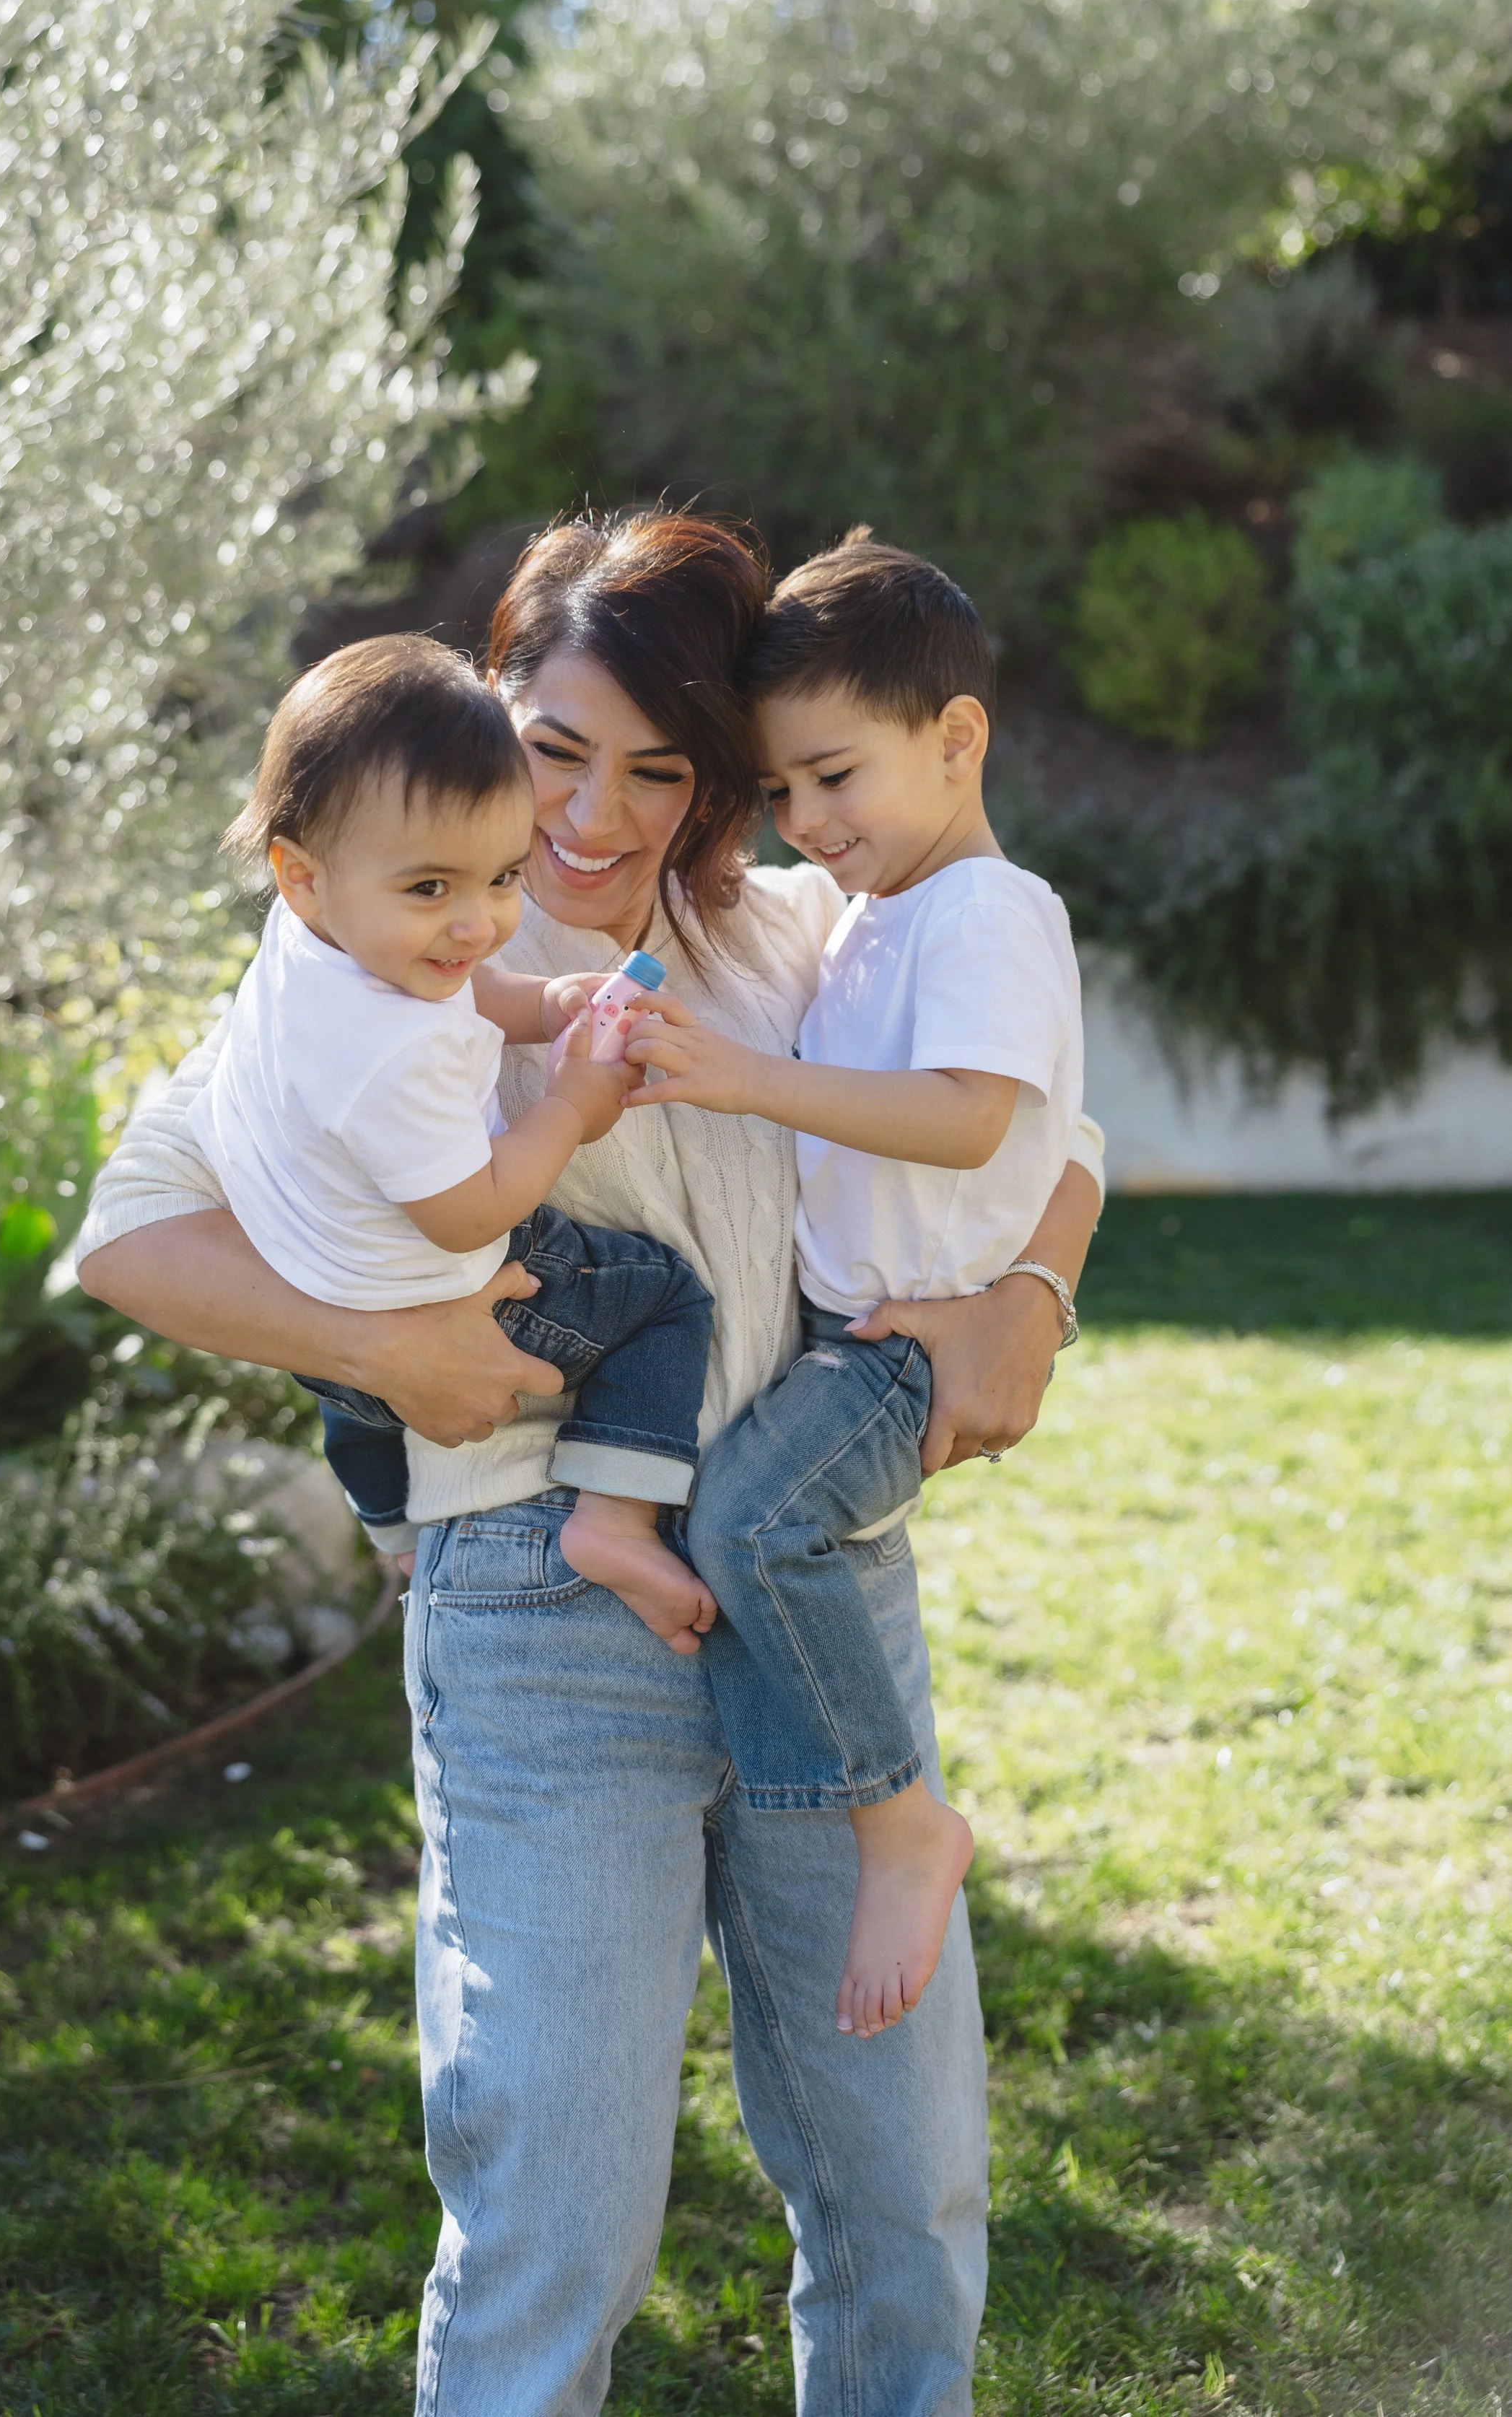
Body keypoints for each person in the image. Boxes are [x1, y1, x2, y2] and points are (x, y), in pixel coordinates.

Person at [78, 510, 1105, 2417]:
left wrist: (1030, 1293)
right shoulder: (394, 946)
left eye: (663, 767)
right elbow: (129, 1234)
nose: (599, 812)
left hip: (813, 1587)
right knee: (554, 2217)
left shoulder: (795, 925)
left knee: (901, 2195)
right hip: (544, 1612)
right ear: (494, 714)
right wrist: (387, 1347)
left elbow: (1041, 1118)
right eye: (558, 748)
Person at [620, 533, 1083, 2042]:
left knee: (750, 1523)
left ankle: (900, 1827)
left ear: (956, 740)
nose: (808, 822)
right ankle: (831, 1812)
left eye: (837, 778)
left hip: (898, 1344)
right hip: (850, 1330)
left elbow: (968, 1115)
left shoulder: (986, 913)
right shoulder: (878, 911)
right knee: (740, 1535)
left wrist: (751, 1082)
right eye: (780, 793)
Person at [191, 631, 718, 1651]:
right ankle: (614, 1518)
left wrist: (547, 998)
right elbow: (470, 1208)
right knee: (663, 1297)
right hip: (444, 1292)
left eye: (502, 877)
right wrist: (567, 1106)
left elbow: (467, 982)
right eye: (434, 888)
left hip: (317, 1288)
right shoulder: (392, 1059)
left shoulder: (325, 936)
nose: (477, 925)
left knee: (356, 1402)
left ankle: (389, 1525)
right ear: (301, 874)